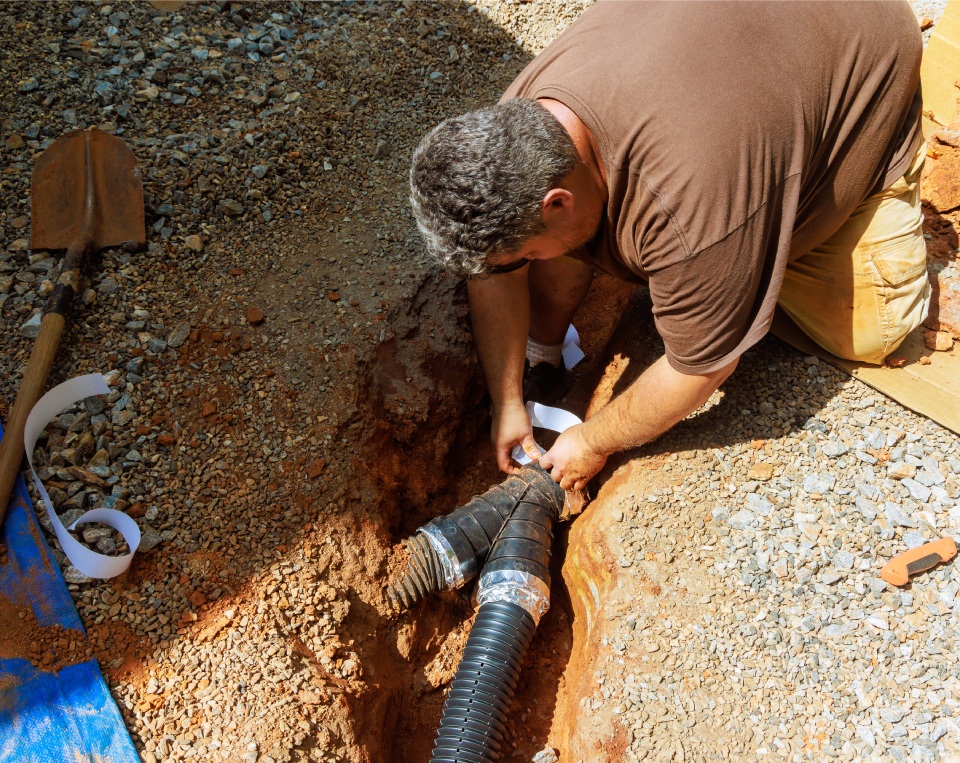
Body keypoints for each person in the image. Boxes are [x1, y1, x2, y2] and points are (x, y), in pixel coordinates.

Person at [408, 0, 928, 493]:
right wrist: (508, 400)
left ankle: (871, 172)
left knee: (868, 333)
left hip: (865, 43)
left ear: (558, 201)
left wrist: (590, 440)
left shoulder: (691, 209)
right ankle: (547, 351)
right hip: (735, 54)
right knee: (560, 247)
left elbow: (700, 367)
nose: (520, 267)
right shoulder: (518, 129)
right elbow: (495, 270)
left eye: (522, 258)